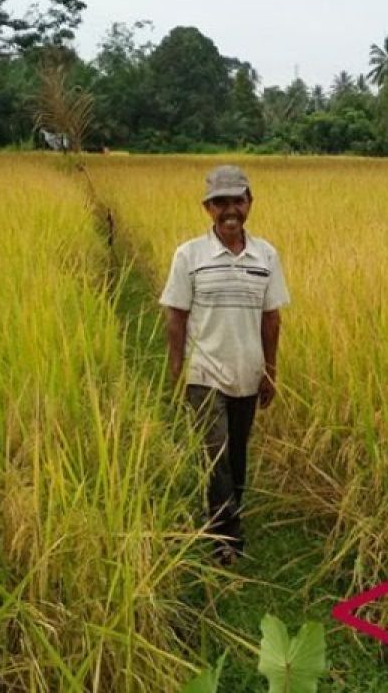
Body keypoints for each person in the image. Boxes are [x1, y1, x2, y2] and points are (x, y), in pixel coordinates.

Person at [159, 165, 291, 566]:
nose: (229, 209)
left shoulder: (266, 255)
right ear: (207, 208)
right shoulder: (189, 255)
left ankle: (227, 512)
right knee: (215, 453)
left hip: (248, 372)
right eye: (221, 202)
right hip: (204, 372)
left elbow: (272, 319)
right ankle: (225, 537)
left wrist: (270, 370)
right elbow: (176, 317)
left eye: (237, 200)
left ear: (250, 203)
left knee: (236, 454)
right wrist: (176, 371)